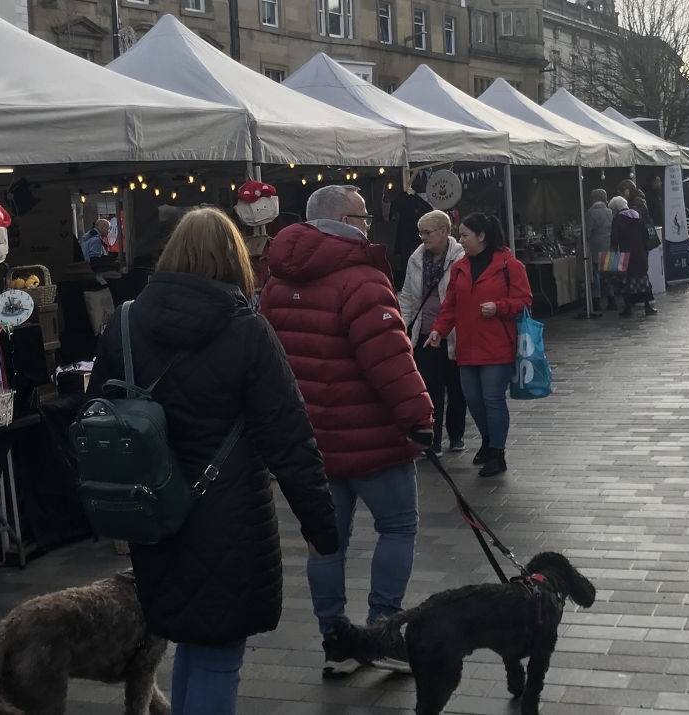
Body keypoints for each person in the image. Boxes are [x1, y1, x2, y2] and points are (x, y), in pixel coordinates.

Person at [86, 208, 340, 714]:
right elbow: (290, 440)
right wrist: (321, 526)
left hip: (155, 513)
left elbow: (93, 416)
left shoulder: (125, 322)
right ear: (235, 259)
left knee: (191, 643)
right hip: (230, 515)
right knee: (218, 654)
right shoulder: (249, 332)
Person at [258, 184, 434, 678]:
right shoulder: (361, 278)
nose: (369, 224)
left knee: (325, 541)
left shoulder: (275, 282)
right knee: (398, 527)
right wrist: (419, 419)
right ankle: (381, 631)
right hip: (372, 437)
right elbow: (390, 360)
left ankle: (336, 639)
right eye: (363, 215)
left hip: (310, 441)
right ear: (344, 219)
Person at [424, 213, 531, 478]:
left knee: (492, 399)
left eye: (465, 235)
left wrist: (499, 307)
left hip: (497, 345)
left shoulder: (510, 265)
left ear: (482, 236)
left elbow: (524, 303)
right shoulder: (460, 267)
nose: (461, 240)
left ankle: (497, 452)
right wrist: (438, 330)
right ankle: (487, 439)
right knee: (473, 399)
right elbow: (450, 306)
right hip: (467, 346)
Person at [399, 209, 467, 457]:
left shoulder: (461, 258)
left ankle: (456, 434)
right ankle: (433, 442)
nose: (423, 238)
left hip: (455, 335)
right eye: (421, 232)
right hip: (425, 334)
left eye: (427, 232)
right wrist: (403, 326)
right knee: (430, 390)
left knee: (458, 389)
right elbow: (407, 295)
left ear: (444, 232)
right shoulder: (415, 259)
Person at [608, 196, 657, 318]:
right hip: (640, 254)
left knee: (626, 282)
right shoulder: (637, 216)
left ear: (616, 208)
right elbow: (646, 235)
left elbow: (614, 239)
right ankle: (647, 306)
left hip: (625, 254)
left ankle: (628, 308)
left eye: (613, 209)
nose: (612, 212)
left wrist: (612, 255)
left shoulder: (618, 219)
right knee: (643, 280)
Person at [386, 175, 434, 284]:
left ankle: (409, 276)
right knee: (411, 254)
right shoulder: (411, 199)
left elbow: (392, 213)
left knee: (409, 255)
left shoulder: (409, 199)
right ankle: (409, 276)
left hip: (409, 231)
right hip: (412, 231)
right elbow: (428, 208)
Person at [584, 189, 615, 313]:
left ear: (595, 198)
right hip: (609, 246)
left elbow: (587, 232)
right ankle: (612, 300)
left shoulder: (590, 213)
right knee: (609, 275)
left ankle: (596, 301)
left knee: (595, 274)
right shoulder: (610, 212)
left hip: (595, 248)